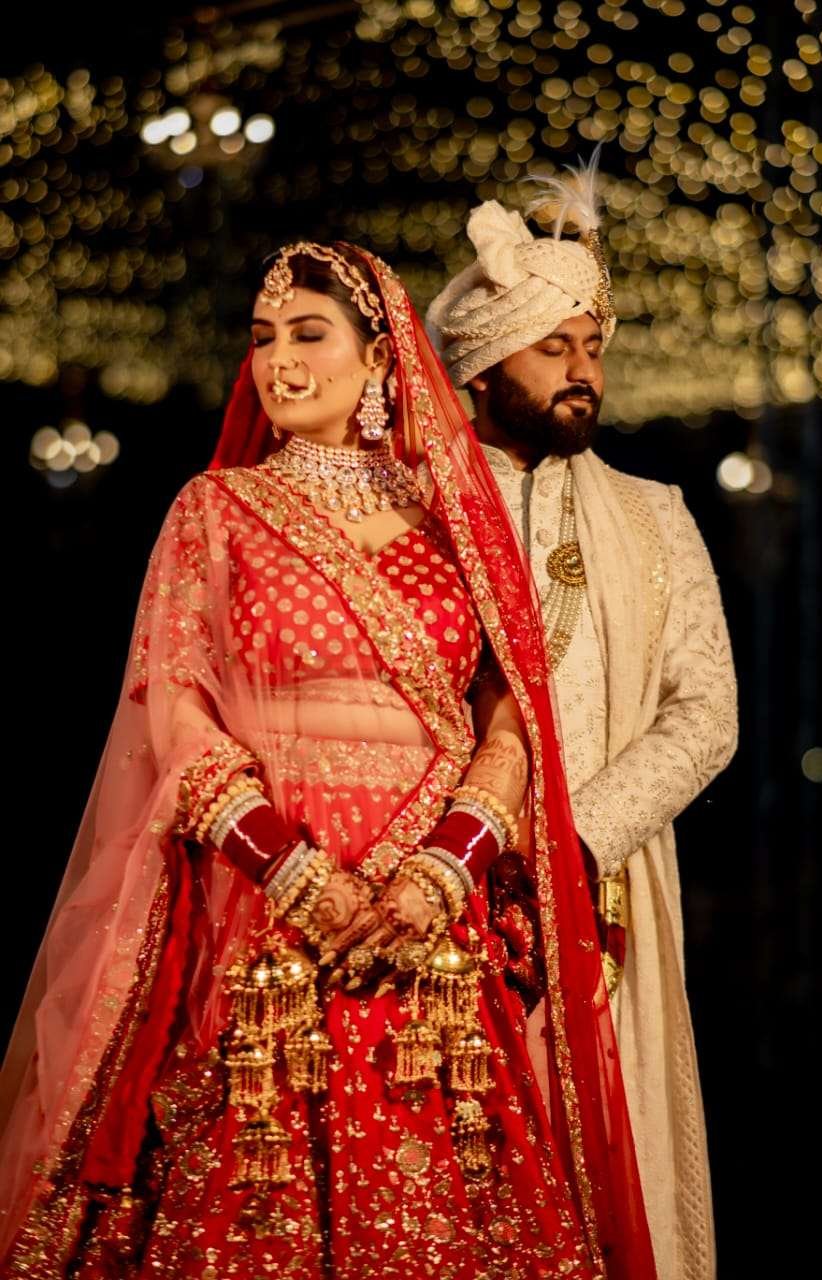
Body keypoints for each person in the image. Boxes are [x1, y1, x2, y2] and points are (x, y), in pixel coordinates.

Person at [0, 242, 657, 1279]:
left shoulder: (456, 522)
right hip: (266, 908)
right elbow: (175, 707)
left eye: (309, 335)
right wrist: (291, 872)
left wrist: (444, 868)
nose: (279, 362)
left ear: (382, 358)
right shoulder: (215, 510)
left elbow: (510, 715)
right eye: (263, 339)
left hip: (431, 916)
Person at [427, 160, 738, 1280]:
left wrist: (568, 840)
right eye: (553, 347)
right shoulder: (413, 513)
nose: (582, 373)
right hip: (429, 895)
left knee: (608, 1179)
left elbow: (706, 714)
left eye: (592, 348)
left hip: (597, 899)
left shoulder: (655, 516)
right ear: (481, 365)